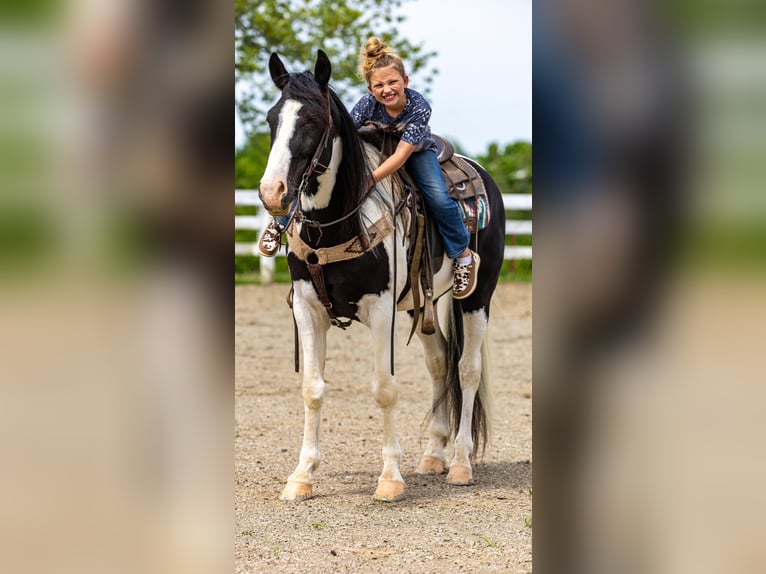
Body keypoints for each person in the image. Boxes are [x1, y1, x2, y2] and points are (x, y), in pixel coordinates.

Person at [259, 37, 479, 299]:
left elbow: (400, 155)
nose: (387, 89)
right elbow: (350, 135)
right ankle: (279, 222)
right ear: (370, 88)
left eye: (393, 82)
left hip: (414, 152)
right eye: (379, 85)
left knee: (439, 198)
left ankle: (463, 255)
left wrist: (372, 178)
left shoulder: (419, 107)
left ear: (405, 82)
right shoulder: (366, 104)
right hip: (376, 145)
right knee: (309, 178)